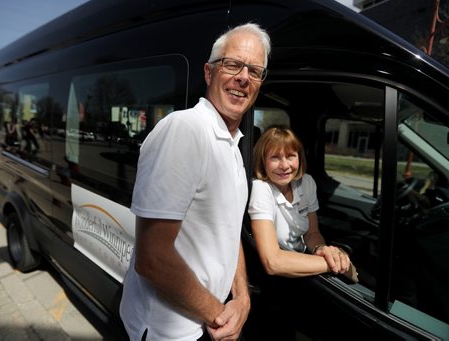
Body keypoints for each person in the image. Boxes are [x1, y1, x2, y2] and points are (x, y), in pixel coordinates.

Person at [120, 23, 271, 340]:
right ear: (209, 72)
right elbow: (152, 259)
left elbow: (228, 232)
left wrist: (242, 297)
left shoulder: (233, 145)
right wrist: (219, 314)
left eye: (254, 71)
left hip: (205, 323)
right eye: (232, 64)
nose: (243, 77)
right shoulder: (185, 130)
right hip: (171, 332)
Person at [248, 126, 358, 282]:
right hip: (277, 276)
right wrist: (334, 263)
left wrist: (322, 250)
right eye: (275, 157)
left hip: (302, 260)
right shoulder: (260, 189)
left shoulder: (306, 182)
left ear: (299, 158)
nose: (285, 165)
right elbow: (273, 263)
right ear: (262, 160)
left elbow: (312, 234)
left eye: (290, 156)